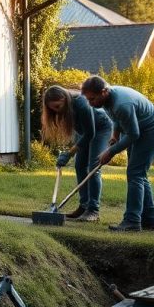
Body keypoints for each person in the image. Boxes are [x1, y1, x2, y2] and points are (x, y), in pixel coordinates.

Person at [80, 76, 154, 232]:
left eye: (92, 99)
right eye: (88, 99)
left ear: (103, 91)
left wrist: (110, 151)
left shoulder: (122, 103)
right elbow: (116, 118)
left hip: (152, 131)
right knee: (139, 174)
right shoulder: (108, 99)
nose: (90, 103)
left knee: (135, 173)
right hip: (141, 131)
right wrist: (115, 134)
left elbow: (133, 134)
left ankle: (132, 221)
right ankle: (149, 220)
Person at [40, 85, 113, 222]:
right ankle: (83, 206)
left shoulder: (81, 102)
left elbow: (90, 133)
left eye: (57, 107)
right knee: (79, 165)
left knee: (93, 168)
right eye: (52, 109)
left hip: (101, 128)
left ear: (64, 99)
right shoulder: (64, 107)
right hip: (85, 132)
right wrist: (68, 153)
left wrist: (70, 153)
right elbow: (79, 132)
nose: (55, 111)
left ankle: (93, 210)